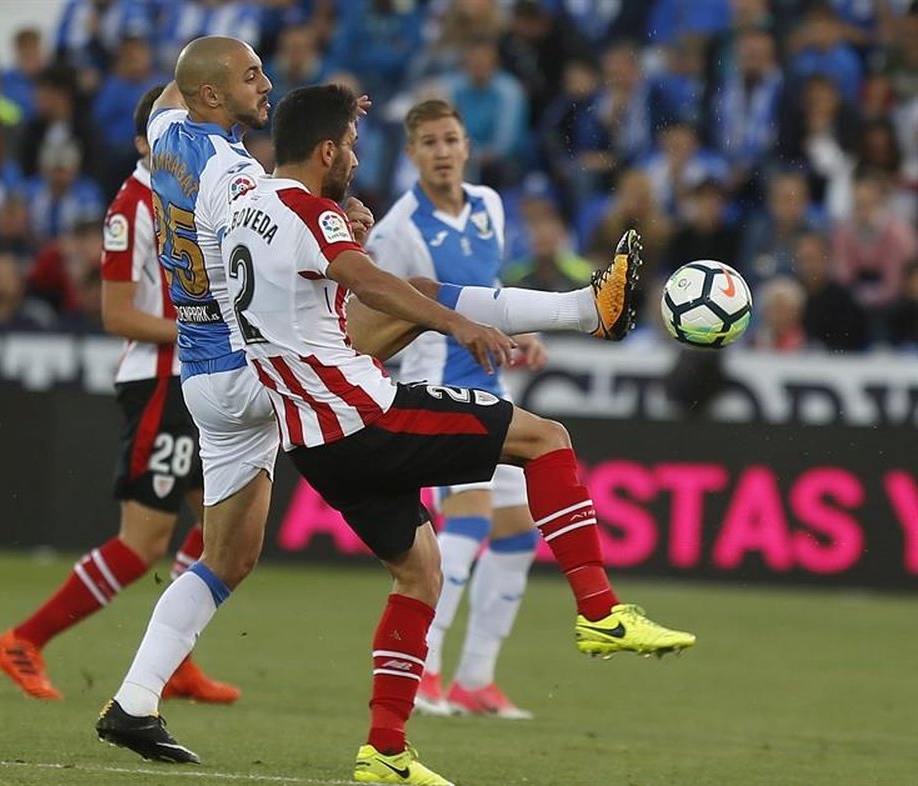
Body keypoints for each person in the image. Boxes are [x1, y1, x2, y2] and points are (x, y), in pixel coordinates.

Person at [94, 38, 689, 777]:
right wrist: (332, 195)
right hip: (262, 373)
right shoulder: (237, 176)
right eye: (252, 77)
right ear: (215, 97)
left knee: (230, 559)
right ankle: (585, 310)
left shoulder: (166, 135)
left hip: (206, 378)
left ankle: (136, 700)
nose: (267, 84)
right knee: (416, 298)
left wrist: (330, 135)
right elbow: (309, 239)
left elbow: (179, 93)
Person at [0, 86, 238, 705]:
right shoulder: (133, 206)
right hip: (160, 382)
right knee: (144, 542)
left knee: (224, 522)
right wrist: (202, 327)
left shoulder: (195, 195)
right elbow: (119, 315)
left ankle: (174, 659)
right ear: (142, 143)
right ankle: (23, 639)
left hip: (198, 379)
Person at [365, 98, 547, 721]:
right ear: (411, 153)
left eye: (451, 140)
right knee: (468, 520)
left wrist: (516, 331)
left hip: (493, 385)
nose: (443, 152)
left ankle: (476, 680)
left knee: (519, 531)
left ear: (467, 146)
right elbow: (381, 313)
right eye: (430, 144)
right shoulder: (397, 230)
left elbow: (487, 292)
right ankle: (426, 672)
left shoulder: (491, 205)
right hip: (437, 384)